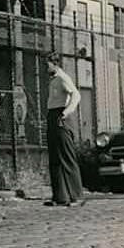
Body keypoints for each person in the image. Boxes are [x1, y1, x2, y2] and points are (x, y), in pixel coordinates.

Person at [45, 53, 83, 207]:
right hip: (52, 116)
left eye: (47, 64)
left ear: (55, 64)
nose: (45, 68)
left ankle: (76, 196)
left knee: (66, 156)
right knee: (55, 157)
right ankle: (60, 196)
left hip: (61, 117)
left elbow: (76, 95)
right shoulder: (53, 79)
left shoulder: (62, 78)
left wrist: (65, 113)